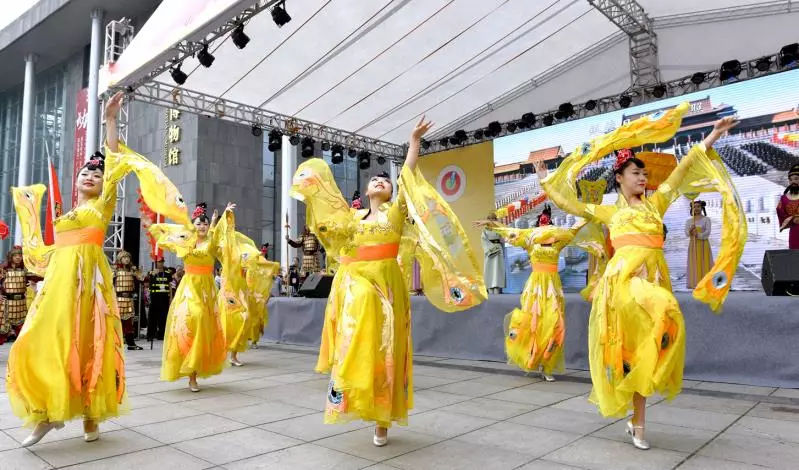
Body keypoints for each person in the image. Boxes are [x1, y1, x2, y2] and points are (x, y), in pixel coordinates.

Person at [541, 105, 743, 450]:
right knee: (665, 310)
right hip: (623, 284)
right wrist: (547, 180)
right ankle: (634, 415)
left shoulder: (656, 204)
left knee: (642, 351)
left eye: (645, 174)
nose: (643, 178)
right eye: (636, 173)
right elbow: (569, 204)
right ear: (619, 177)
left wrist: (712, 135)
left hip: (651, 280)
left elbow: (682, 169)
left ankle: (638, 424)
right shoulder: (610, 212)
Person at [7, 91, 190, 447]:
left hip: (88, 285)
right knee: (43, 339)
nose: (91, 174)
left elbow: (114, 156)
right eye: (85, 171)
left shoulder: (103, 205)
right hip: (58, 286)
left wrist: (110, 120)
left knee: (90, 342)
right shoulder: (67, 214)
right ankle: (48, 411)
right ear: (76, 181)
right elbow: (50, 252)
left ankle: (91, 414)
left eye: (97, 172)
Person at [290, 116, 485, 447]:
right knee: (358, 331)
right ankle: (353, 383)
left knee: (387, 349)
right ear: (367, 191)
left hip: (388, 283)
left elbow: (407, 175)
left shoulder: (395, 214)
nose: (380, 181)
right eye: (375, 180)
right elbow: (328, 217)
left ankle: (382, 419)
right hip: (358, 283)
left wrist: (414, 143)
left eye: (385, 180)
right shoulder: (352, 218)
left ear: (392, 192)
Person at [475, 199, 582, 382]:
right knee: (535, 322)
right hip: (536, 287)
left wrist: (589, 214)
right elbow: (510, 232)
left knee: (554, 323)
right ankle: (534, 358)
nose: (544, 225)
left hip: (552, 287)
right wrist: (492, 224)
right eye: (542, 222)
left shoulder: (558, 242)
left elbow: (575, 229)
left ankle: (547, 364)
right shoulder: (530, 241)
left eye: (547, 223)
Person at [152, 203, 232, 391]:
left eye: (205, 223)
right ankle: (189, 370)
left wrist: (223, 217)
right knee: (191, 319)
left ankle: (193, 374)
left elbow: (221, 235)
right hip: (189, 288)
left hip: (206, 290)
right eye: (198, 223)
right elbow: (161, 235)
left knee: (202, 324)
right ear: (192, 226)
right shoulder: (185, 242)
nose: (202, 226)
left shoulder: (212, 242)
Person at [0, 245, 42, 344]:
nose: (18, 257)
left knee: (23, 332)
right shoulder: (3, 269)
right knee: (2, 330)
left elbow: (38, 276)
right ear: (11, 257)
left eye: (20, 255)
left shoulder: (25, 270)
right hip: (6, 303)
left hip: (21, 304)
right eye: (16, 256)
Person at [114, 250, 144, 350]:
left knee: (129, 323)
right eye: (124, 257)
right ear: (120, 259)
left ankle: (131, 344)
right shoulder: (115, 270)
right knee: (117, 322)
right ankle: (114, 343)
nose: (126, 259)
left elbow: (143, 280)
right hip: (118, 299)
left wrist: (138, 273)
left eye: (128, 257)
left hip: (129, 299)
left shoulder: (132, 270)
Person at [685, 200, 713, 289]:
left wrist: (698, 234)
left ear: (702, 208)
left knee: (704, 262)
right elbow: (686, 233)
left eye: (698, 207)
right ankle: (695, 282)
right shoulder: (689, 221)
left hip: (703, 245)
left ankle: (705, 283)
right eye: (694, 207)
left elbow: (707, 232)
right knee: (694, 263)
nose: (696, 208)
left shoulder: (706, 219)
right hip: (693, 245)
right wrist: (690, 231)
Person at [145, 258, 172, 341]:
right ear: (156, 262)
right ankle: (150, 335)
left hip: (164, 297)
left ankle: (162, 334)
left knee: (163, 316)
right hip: (154, 297)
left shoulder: (168, 273)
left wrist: (170, 298)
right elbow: (146, 284)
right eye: (159, 262)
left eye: (162, 262)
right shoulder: (151, 273)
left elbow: (170, 286)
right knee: (152, 317)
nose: (160, 263)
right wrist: (152, 275)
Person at [481, 211, 506, 295]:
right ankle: (489, 287)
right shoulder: (485, 230)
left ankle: (497, 287)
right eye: (490, 219)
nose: (492, 220)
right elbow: (484, 241)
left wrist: (503, 240)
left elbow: (502, 240)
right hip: (489, 252)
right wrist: (491, 249)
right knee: (489, 269)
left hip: (498, 250)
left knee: (498, 269)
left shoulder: (499, 229)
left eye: (493, 219)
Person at [777, 164, 799, 249]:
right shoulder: (784, 198)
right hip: (795, 234)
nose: (793, 182)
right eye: (790, 179)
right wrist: (793, 219)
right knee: (794, 255)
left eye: (796, 179)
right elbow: (781, 214)